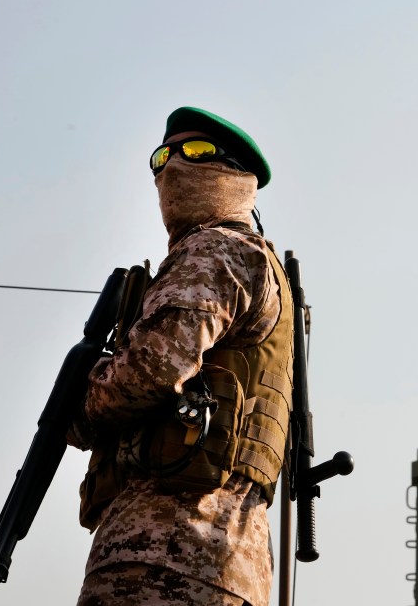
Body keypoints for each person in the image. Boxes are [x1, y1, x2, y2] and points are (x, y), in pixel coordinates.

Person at [68, 107, 294, 606]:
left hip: (167, 552)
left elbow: (151, 369)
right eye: (161, 157)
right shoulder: (255, 261)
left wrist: (77, 413)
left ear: (236, 174)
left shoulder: (217, 250)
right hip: (227, 560)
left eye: (195, 153)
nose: (172, 167)